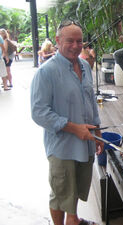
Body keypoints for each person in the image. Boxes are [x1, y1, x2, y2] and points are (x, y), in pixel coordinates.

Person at [31, 20, 104, 225]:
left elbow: (91, 101)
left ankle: (74, 219)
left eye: (79, 41)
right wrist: (73, 128)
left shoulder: (85, 66)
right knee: (60, 193)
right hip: (62, 147)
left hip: (86, 143)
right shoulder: (46, 72)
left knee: (75, 189)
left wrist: (98, 133)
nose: (75, 46)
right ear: (57, 41)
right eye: (69, 41)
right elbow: (38, 112)